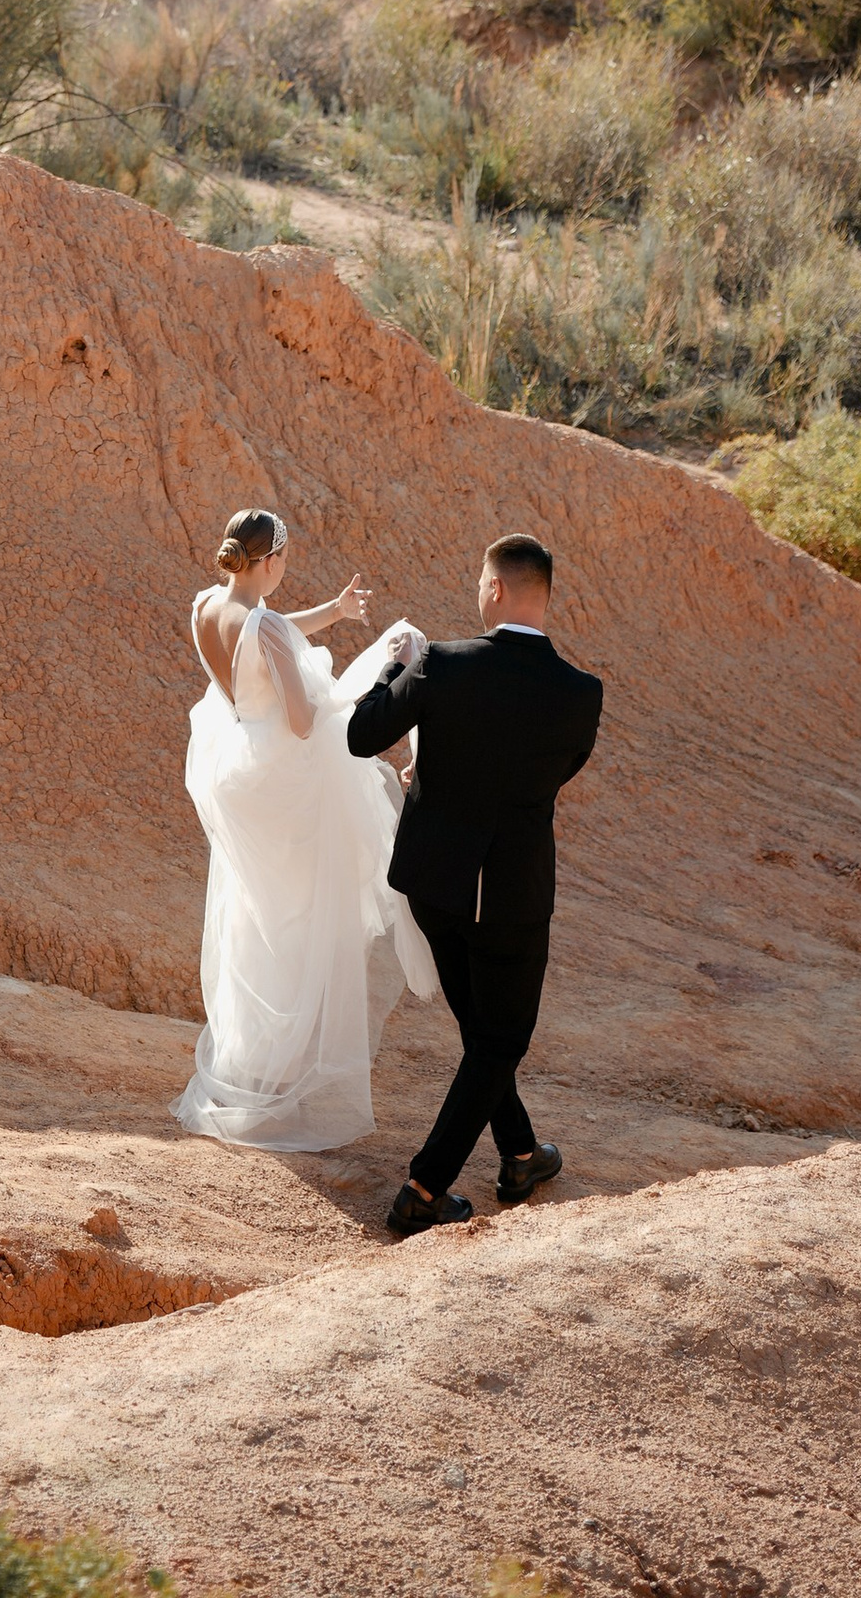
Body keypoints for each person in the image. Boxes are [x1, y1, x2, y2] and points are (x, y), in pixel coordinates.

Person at [343, 528, 602, 1234]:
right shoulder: (583, 694)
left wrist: (388, 672)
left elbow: (362, 734)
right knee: (498, 1041)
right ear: (545, 596)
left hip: (433, 885)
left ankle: (520, 1154)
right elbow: (547, 776)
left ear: (492, 589)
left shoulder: (441, 665)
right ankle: (423, 1191)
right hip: (513, 893)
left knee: (485, 1034)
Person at [174, 505, 437, 1153]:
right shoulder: (260, 620)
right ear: (270, 560)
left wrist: (336, 612)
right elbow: (300, 718)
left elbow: (264, 632)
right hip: (277, 777)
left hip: (236, 769)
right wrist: (362, 687)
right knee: (300, 919)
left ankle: (252, 1062)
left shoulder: (206, 603)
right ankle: (283, 1066)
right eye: (284, 560)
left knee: (259, 914)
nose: (286, 570)